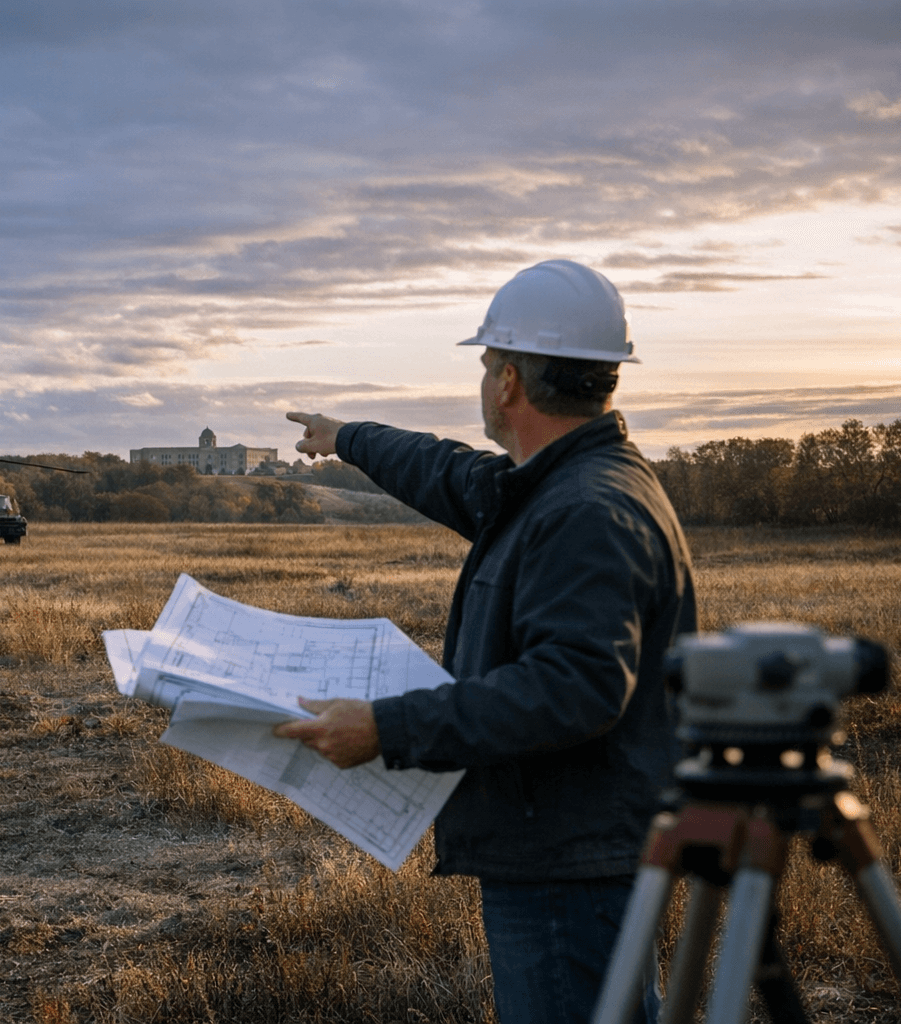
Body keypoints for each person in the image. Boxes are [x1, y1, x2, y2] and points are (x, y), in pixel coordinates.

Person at [276, 260, 695, 1024]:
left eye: (486, 364)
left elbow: (573, 687)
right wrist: (348, 438)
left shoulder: (588, 508)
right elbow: (445, 470)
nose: (482, 381)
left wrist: (388, 728)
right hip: (570, 845)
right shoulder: (554, 484)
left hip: (568, 861)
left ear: (508, 382)